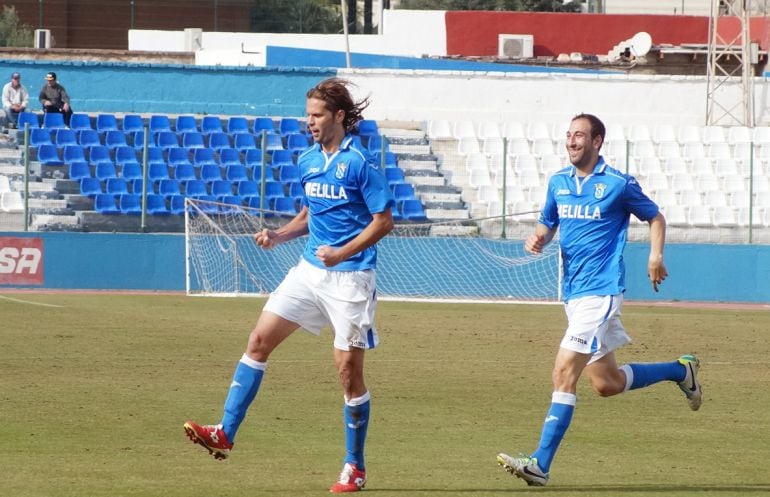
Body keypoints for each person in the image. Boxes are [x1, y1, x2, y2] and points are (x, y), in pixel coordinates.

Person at [183, 78, 395, 493]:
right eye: (307, 115)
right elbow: (310, 212)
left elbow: (383, 221)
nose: (309, 122)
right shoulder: (307, 160)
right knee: (258, 341)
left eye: (317, 115)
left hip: (351, 278)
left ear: (339, 116)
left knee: (348, 373)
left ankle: (355, 467)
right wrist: (279, 235)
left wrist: (342, 252)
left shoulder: (360, 162)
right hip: (308, 271)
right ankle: (224, 432)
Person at [497, 113, 702, 487]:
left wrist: (655, 256)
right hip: (573, 294)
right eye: (568, 135)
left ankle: (540, 464)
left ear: (597, 142)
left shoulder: (618, 184)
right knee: (607, 383)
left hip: (601, 291)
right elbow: (548, 223)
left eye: (579, 135)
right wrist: (538, 238)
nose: (571, 141)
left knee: (563, 371)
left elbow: (655, 217)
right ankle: (680, 370)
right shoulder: (558, 182)